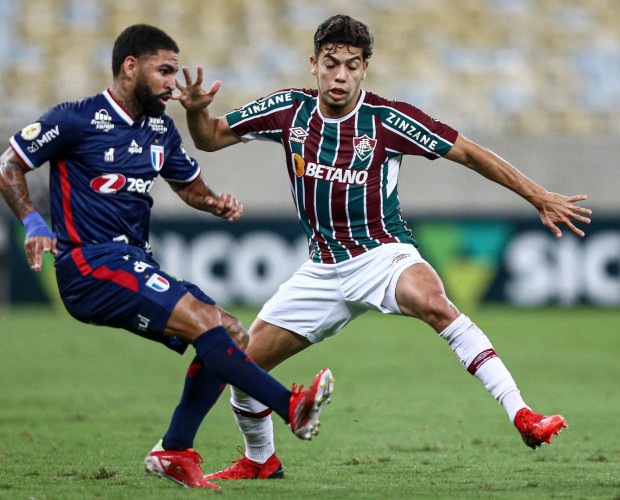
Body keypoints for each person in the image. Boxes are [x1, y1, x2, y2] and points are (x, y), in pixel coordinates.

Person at [177, 14, 592, 480]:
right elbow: (209, 138)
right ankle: (260, 461)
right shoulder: (287, 110)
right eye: (331, 63)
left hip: (382, 254)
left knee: (436, 304)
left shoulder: (387, 120)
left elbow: (470, 153)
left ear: (365, 69)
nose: (340, 75)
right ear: (313, 64)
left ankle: (523, 414)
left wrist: (539, 195)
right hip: (321, 270)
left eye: (352, 66)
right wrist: (194, 109)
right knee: (241, 368)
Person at [0, 24, 334, 490]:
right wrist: (34, 223)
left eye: (175, 72)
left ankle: (174, 449)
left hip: (134, 262)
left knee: (232, 333)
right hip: (88, 264)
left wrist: (213, 201)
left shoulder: (160, 129)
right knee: (203, 319)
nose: (172, 83)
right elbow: (9, 163)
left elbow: (187, 185)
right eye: (164, 71)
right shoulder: (75, 119)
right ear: (129, 67)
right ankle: (289, 404)